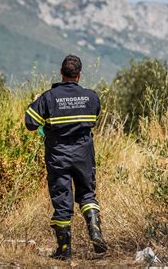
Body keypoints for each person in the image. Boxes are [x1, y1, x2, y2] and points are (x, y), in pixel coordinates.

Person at [24, 55, 108, 260]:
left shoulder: (48, 97)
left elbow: (30, 123)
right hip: (84, 154)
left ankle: (64, 251)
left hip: (58, 155)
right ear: (79, 75)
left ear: (61, 73)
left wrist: (35, 102)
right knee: (87, 194)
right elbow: (94, 117)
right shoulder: (91, 97)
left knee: (62, 200)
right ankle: (95, 230)